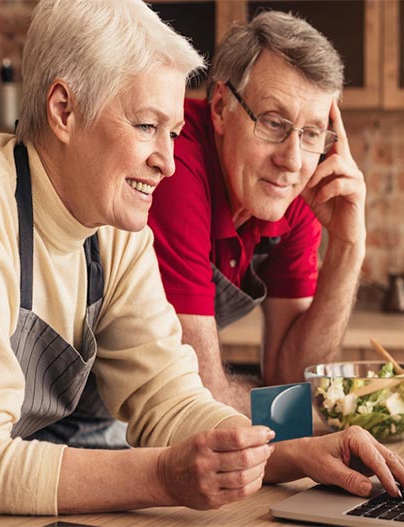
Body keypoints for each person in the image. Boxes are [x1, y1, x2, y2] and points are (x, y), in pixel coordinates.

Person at [0, 0, 404, 517]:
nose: (168, 163)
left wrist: (294, 454)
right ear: (64, 110)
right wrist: (161, 475)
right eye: (146, 126)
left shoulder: (114, 228)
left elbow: (171, 398)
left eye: (172, 133)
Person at [147, 11, 367, 413]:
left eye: (312, 133)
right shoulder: (175, 165)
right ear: (219, 107)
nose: (292, 159)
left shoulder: (292, 189)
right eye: (273, 123)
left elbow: (291, 375)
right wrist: (314, 425)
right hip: (68, 427)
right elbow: (199, 397)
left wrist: (348, 246)